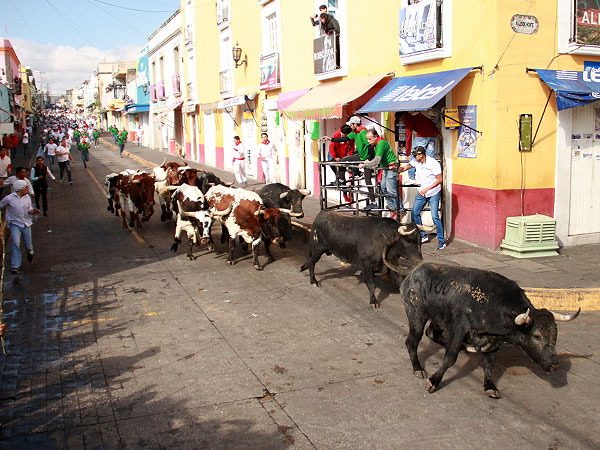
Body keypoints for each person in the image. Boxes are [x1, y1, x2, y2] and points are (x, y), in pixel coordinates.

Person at [398, 146, 446, 249]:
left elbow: (440, 179)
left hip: (433, 192)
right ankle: (423, 235)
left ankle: (441, 240)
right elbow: (408, 166)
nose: (414, 157)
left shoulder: (433, 163)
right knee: (415, 212)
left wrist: (427, 189)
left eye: (415, 155)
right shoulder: (416, 161)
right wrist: (400, 169)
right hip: (422, 192)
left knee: (435, 217)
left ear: (421, 155)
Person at [324, 116, 375, 206]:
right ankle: (341, 180)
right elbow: (345, 138)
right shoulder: (355, 132)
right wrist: (330, 139)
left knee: (368, 181)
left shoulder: (363, 131)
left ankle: (373, 202)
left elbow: (370, 145)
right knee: (342, 161)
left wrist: (369, 159)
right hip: (360, 156)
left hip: (366, 157)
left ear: (355, 124)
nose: (350, 127)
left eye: (351, 125)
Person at [360, 129, 404, 220]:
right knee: (384, 187)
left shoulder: (380, 143)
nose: (368, 141)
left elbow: (377, 160)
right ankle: (392, 206)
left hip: (390, 167)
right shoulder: (379, 143)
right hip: (386, 168)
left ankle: (401, 209)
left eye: (370, 139)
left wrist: (365, 164)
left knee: (391, 190)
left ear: (375, 137)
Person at [0, 179, 40, 274]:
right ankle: (15, 266)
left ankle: (30, 252)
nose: (27, 189)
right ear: (20, 188)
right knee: (15, 243)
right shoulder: (9, 198)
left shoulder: (27, 198)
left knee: (28, 245)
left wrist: (33, 212)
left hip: (26, 224)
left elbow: (29, 210)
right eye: (26, 187)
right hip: (15, 225)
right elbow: (1, 205)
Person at [402, 111, 439, 184]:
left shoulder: (408, 119)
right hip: (432, 135)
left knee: (415, 155)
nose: (402, 121)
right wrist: (437, 132)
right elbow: (430, 122)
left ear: (402, 116)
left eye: (401, 119)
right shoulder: (419, 115)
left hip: (422, 135)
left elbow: (408, 136)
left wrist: (408, 153)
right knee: (429, 157)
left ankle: (411, 178)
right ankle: (431, 178)